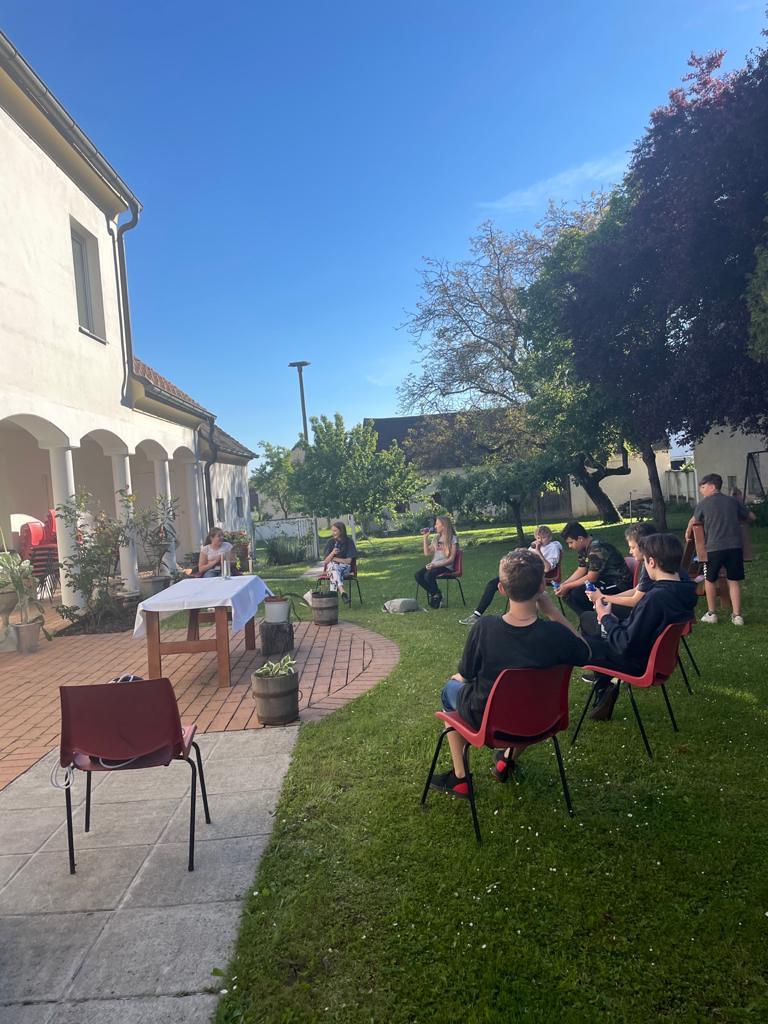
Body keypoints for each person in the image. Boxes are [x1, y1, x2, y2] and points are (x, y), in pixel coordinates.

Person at [430, 549, 590, 798]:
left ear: (501, 589)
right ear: (541, 587)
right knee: (527, 698)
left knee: (450, 688)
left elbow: (467, 674)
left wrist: (460, 678)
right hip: (542, 719)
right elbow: (585, 653)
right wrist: (553, 613)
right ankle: (506, 761)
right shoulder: (556, 634)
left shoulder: (484, 628)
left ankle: (460, 778)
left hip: (489, 722)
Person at [583, 532, 697, 721]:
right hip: (657, 656)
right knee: (591, 626)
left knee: (583, 642)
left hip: (637, 661)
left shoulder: (656, 598)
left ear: (651, 562)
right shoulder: (685, 589)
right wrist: (613, 620)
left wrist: (606, 617)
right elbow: (638, 629)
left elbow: (625, 644)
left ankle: (604, 688)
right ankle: (604, 687)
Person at [686, 473, 755, 626]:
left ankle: (712, 613)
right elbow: (751, 517)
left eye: (703, 487)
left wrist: (687, 531)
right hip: (734, 547)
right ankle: (737, 616)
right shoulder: (733, 502)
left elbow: (694, 520)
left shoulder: (703, 504)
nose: (701, 491)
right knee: (733, 580)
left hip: (714, 548)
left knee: (710, 579)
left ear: (712, 486)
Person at [458, 525, 562, 626]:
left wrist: (538, 551)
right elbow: (526, 559)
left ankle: (521, 616)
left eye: (543, 538)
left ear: (550, 537)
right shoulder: (534, 546)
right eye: (538, 538)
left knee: (517, 585)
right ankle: (477, 614)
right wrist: (521, 553)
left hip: (537, 575)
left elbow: (547, 568)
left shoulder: (553, 547)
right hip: (523, 572)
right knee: (492, 584)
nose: (540, 541)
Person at [555, 521, 632, 619]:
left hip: (618, 584)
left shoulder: (597, 549)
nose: (570, 546)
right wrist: (564, 585)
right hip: (603, 581)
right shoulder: (583, 549)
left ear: (580, 539)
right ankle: (587, 620)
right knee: (568, 593)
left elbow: (591, 578)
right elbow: (581, 569)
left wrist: (567, 586)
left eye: (571, 542)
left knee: (578, 593)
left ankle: (594, 619)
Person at [415, 515, 459, 609]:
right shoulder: (436, 538)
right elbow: (427, 553)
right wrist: (425, 538)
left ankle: (436, 597)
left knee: (428, 575)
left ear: (444, 525)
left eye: (437, 524)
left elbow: (451, 559)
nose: (435, 526)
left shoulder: (452, 538)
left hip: (445, 566)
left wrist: (435, 565)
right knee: (418, 575)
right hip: (434, 565)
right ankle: (436, 594)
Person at [322, 521, 358, 605]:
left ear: (341, 531)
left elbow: (348, 561)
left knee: (333, 571)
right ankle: (342, 592)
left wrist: (334, 558)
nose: (333, 533)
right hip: (333, 568)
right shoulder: (330, 542)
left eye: (335, 531)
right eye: (332, 530)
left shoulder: (349, 542)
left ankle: (332, 604)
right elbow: (326, 561)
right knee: (334, 569)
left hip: (345, 568)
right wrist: (332, 553)